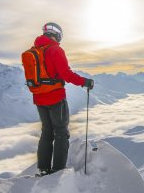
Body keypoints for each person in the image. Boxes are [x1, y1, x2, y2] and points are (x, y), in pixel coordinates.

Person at [32, 22, 94, 176]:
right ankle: (58, 171)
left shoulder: (35, 51)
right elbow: (66, 74)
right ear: (57, 35)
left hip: (39, 98)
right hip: (55, 98)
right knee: (61, 132)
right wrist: (84, 82)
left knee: (46, 132)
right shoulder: (55, 50)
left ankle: (44, 168)